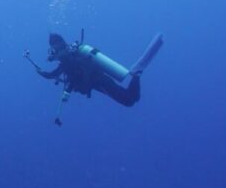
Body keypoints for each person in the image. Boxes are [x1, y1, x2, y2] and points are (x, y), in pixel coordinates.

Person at [26, 31, 163, 125]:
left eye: (52, 48)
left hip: (98, 81)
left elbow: (52, 75)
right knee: (131, 99)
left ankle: (136, 73)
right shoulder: (70, 53)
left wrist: (40, 71)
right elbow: (69, 77)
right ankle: (136, 75)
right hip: (99, 80)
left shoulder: (66, 58)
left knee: (128, 101)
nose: (52, 52)